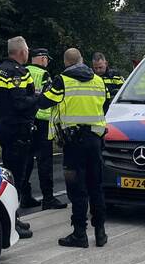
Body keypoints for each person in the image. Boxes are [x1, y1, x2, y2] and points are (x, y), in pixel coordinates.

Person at [38, 48, 110, 248]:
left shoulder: (62, 81)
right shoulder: (98, 80)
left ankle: (80, 234)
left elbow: (44, 102)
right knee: (96, 186)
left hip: (73, 143)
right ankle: (100, 232)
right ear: (82, 60)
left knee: (76, 188)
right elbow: (105, 104)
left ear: (66, 63)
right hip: (95, 140)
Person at [0, 36, 37, 239]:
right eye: (27, 50)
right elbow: (20, 102)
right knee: (16, 178)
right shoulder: (18, 72)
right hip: (17, 128)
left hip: (4, 125)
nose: (28, 53)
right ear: (21, 52)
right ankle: (12, 223)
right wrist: (37, 97)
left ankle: (14, 218)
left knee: (11, 174)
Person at [24, 48, 66, 210]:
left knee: (27, 160)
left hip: (27, 121)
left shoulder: (24, 71)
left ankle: (24, 196)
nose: (47, 62)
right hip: (42, 122)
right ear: (42, 59)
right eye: (47, 59)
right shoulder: (44, 75)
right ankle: (48, 198)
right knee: (45, 161)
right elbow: (49, 98)